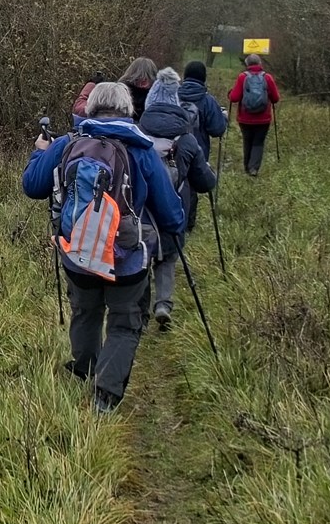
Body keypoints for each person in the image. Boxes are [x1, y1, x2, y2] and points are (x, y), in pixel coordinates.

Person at [23, 80, 187, 413]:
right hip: (125, 258)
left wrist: (38, 153)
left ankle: (83, 370)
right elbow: (171, 215)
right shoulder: (141, 150)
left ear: (90, 108)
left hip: (77, 253)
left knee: (85, 311)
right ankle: (105, 395)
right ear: (128, 111)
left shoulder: (70, 142)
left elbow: (32, 186)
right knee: (126, 321)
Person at [134, 67, 217, 329]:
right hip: (175, 209)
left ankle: (141, 312)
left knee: (142, 257)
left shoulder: (136, 134)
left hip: (141, 212)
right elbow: (205, 182)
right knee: (167, 258)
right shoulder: (187, 139)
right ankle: (164, 304)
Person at [230, 53, 281, 175]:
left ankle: (247, 167)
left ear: (247, 64)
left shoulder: (242, 77)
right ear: (260, 64)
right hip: (263, 118)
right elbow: (276, 98)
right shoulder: (267, 78)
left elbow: (234, 97)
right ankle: (254, 168)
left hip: (245, 118)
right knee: (258, 142)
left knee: (247, 141)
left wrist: (229, 94)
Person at [178, 59, 231, 150]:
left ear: (185, 76)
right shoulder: (208, 101)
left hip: (175, 151)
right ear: (203, 77)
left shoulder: (173, 96)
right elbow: (217, 129)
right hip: (198, 153)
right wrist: (224, 117)